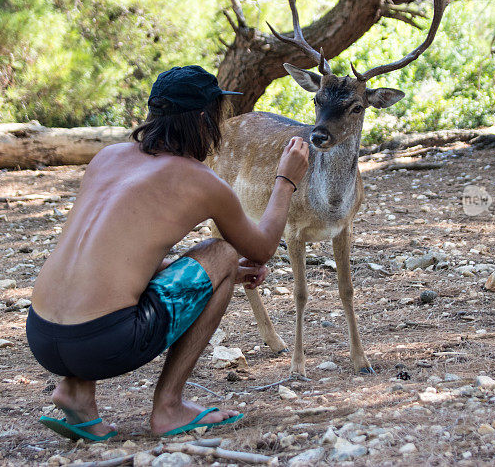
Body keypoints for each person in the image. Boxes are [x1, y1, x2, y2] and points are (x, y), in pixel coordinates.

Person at [26, 65, 309, 441]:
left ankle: (75, 390)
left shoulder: (107, 157)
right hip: (101, 342)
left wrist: (215, 276)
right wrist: (286, 180)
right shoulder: (199, 180)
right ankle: (169, 407)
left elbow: (113, 263)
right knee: (223, 253)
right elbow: (262, 248)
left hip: (42, 335)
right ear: (206, 119)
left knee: (211, 267)